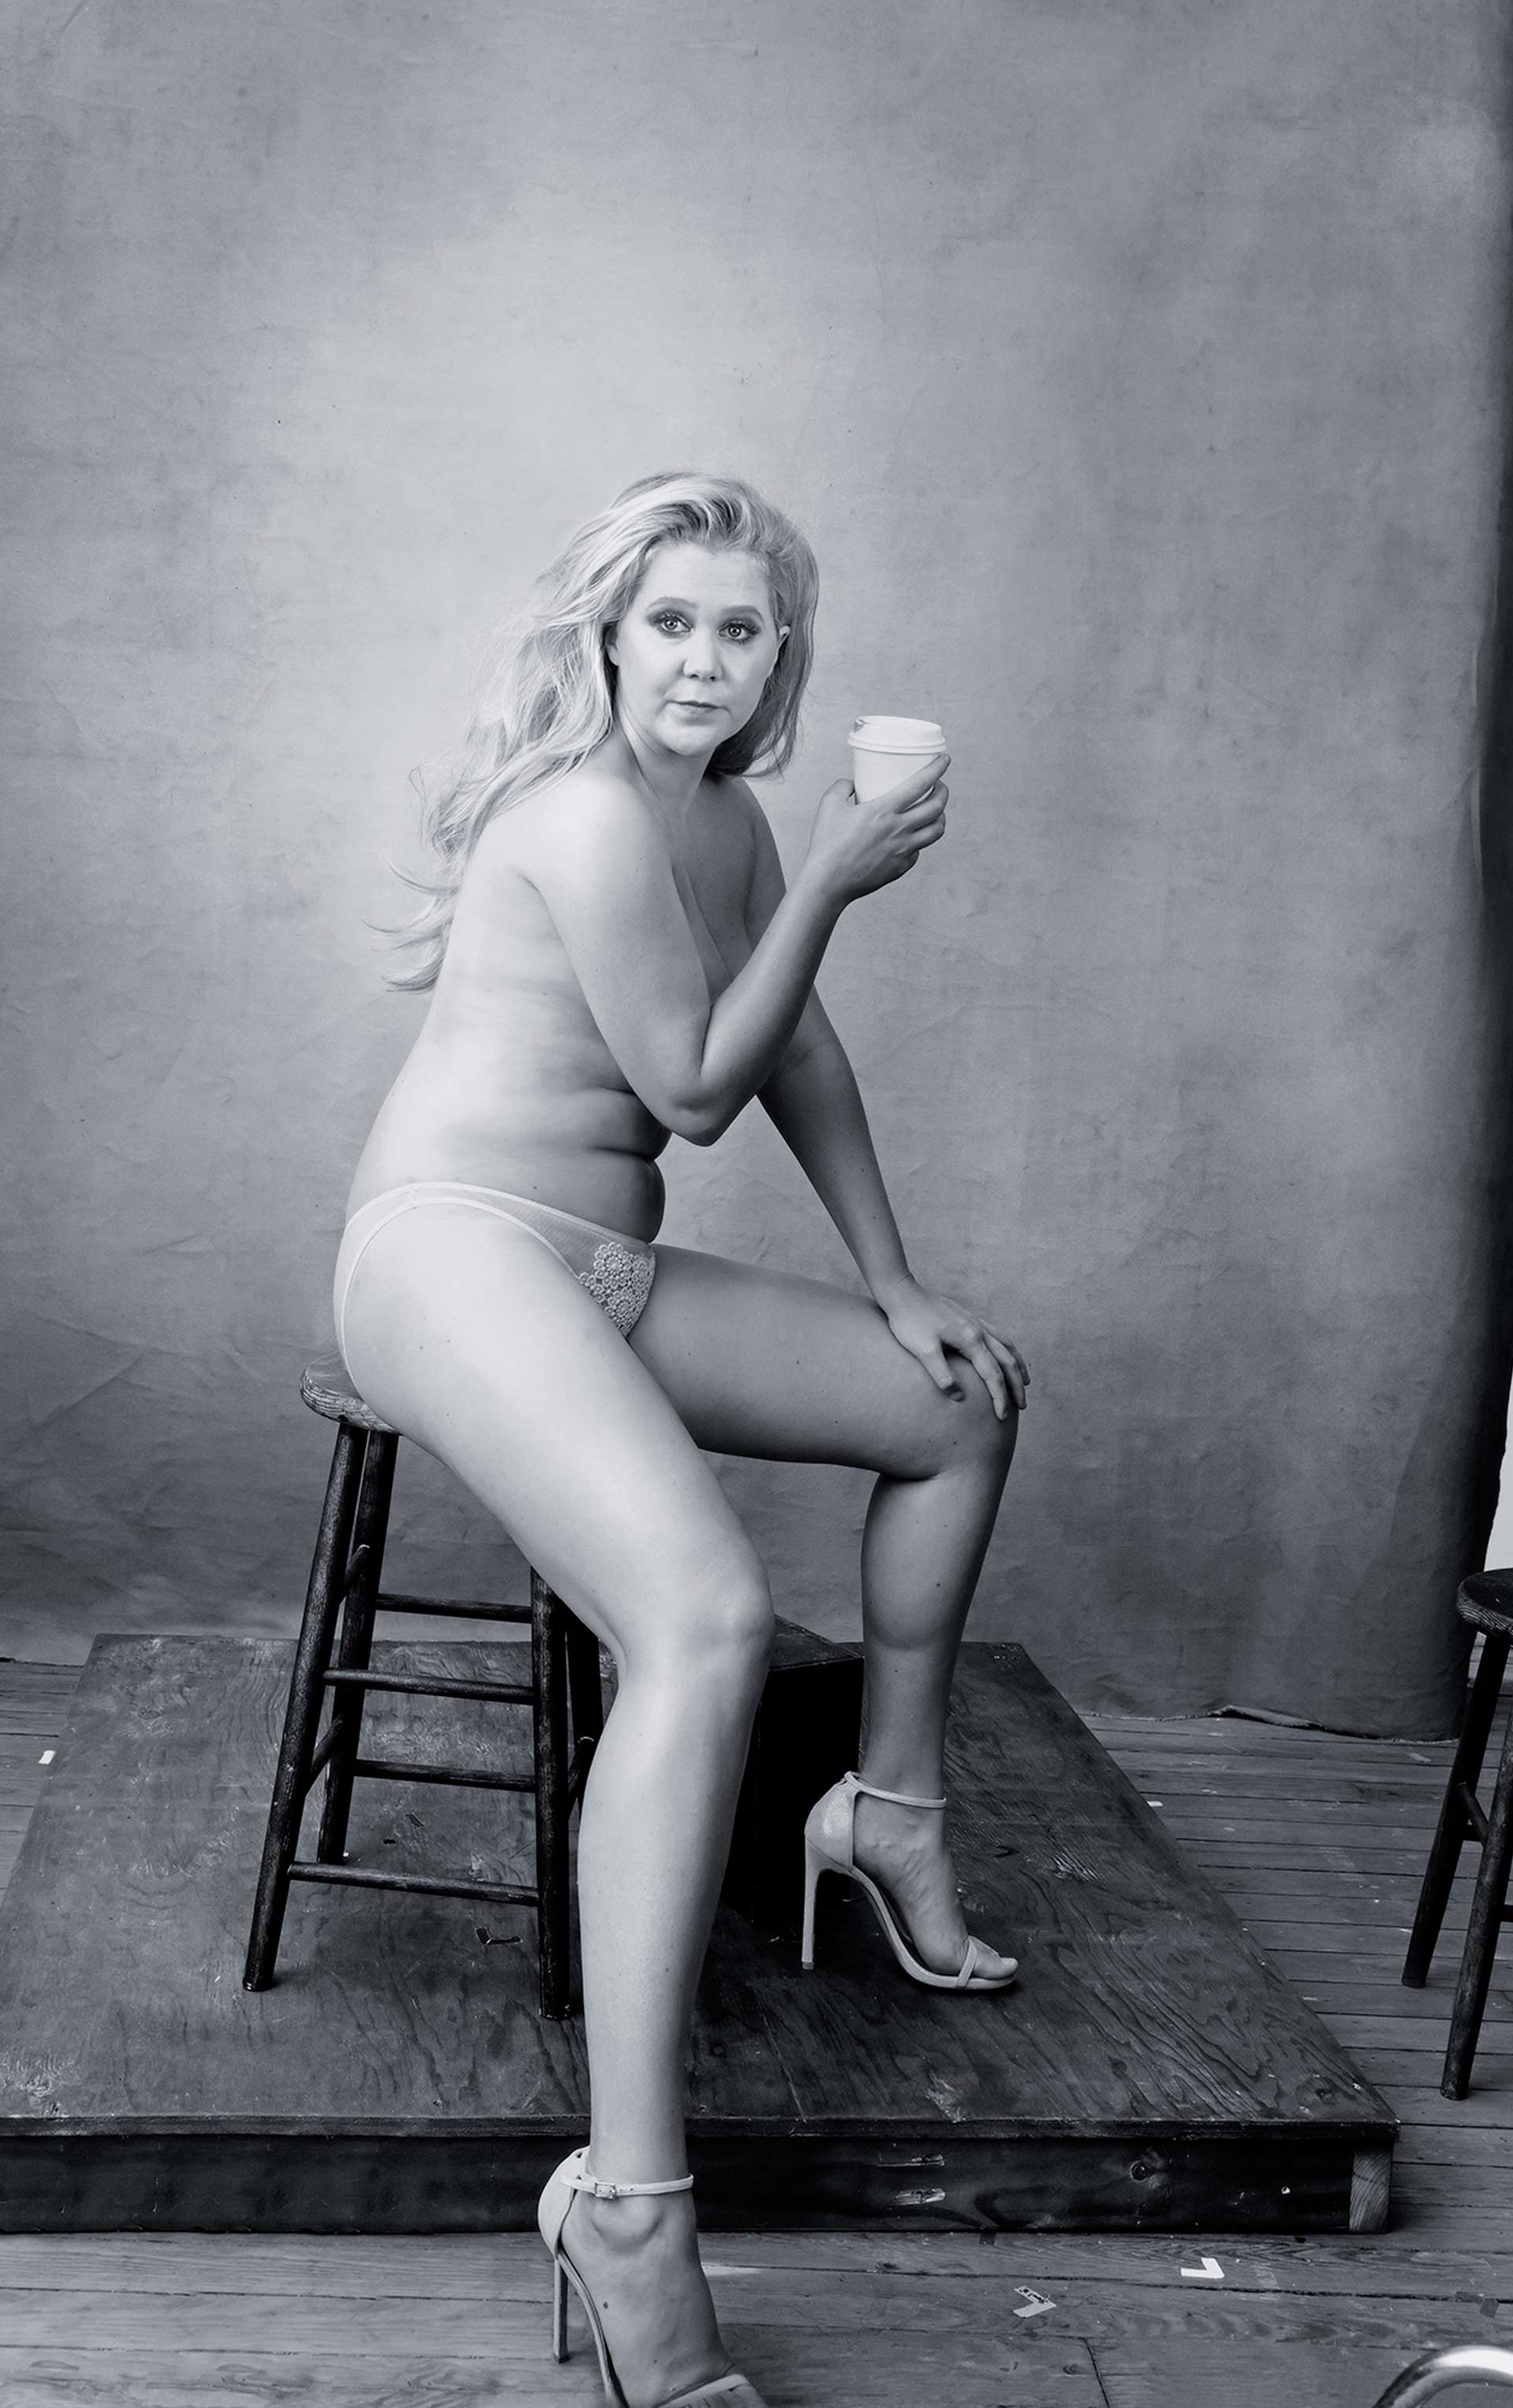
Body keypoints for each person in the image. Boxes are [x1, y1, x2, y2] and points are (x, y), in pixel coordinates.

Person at [334, 473, 1027, 2408]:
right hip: (449, 1247)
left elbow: (794, 1048)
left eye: (742, 627)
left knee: (955, 1403)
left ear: (781, 652)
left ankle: (889, 1810)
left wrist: (894, 1281)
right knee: (706, 1619)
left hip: (603, 1268)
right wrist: (836, 880)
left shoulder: (723, 818)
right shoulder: (582, 814)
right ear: (610, 635)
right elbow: (697, 1084)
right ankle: (629, 2205)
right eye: (671, 622)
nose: (705, 660)